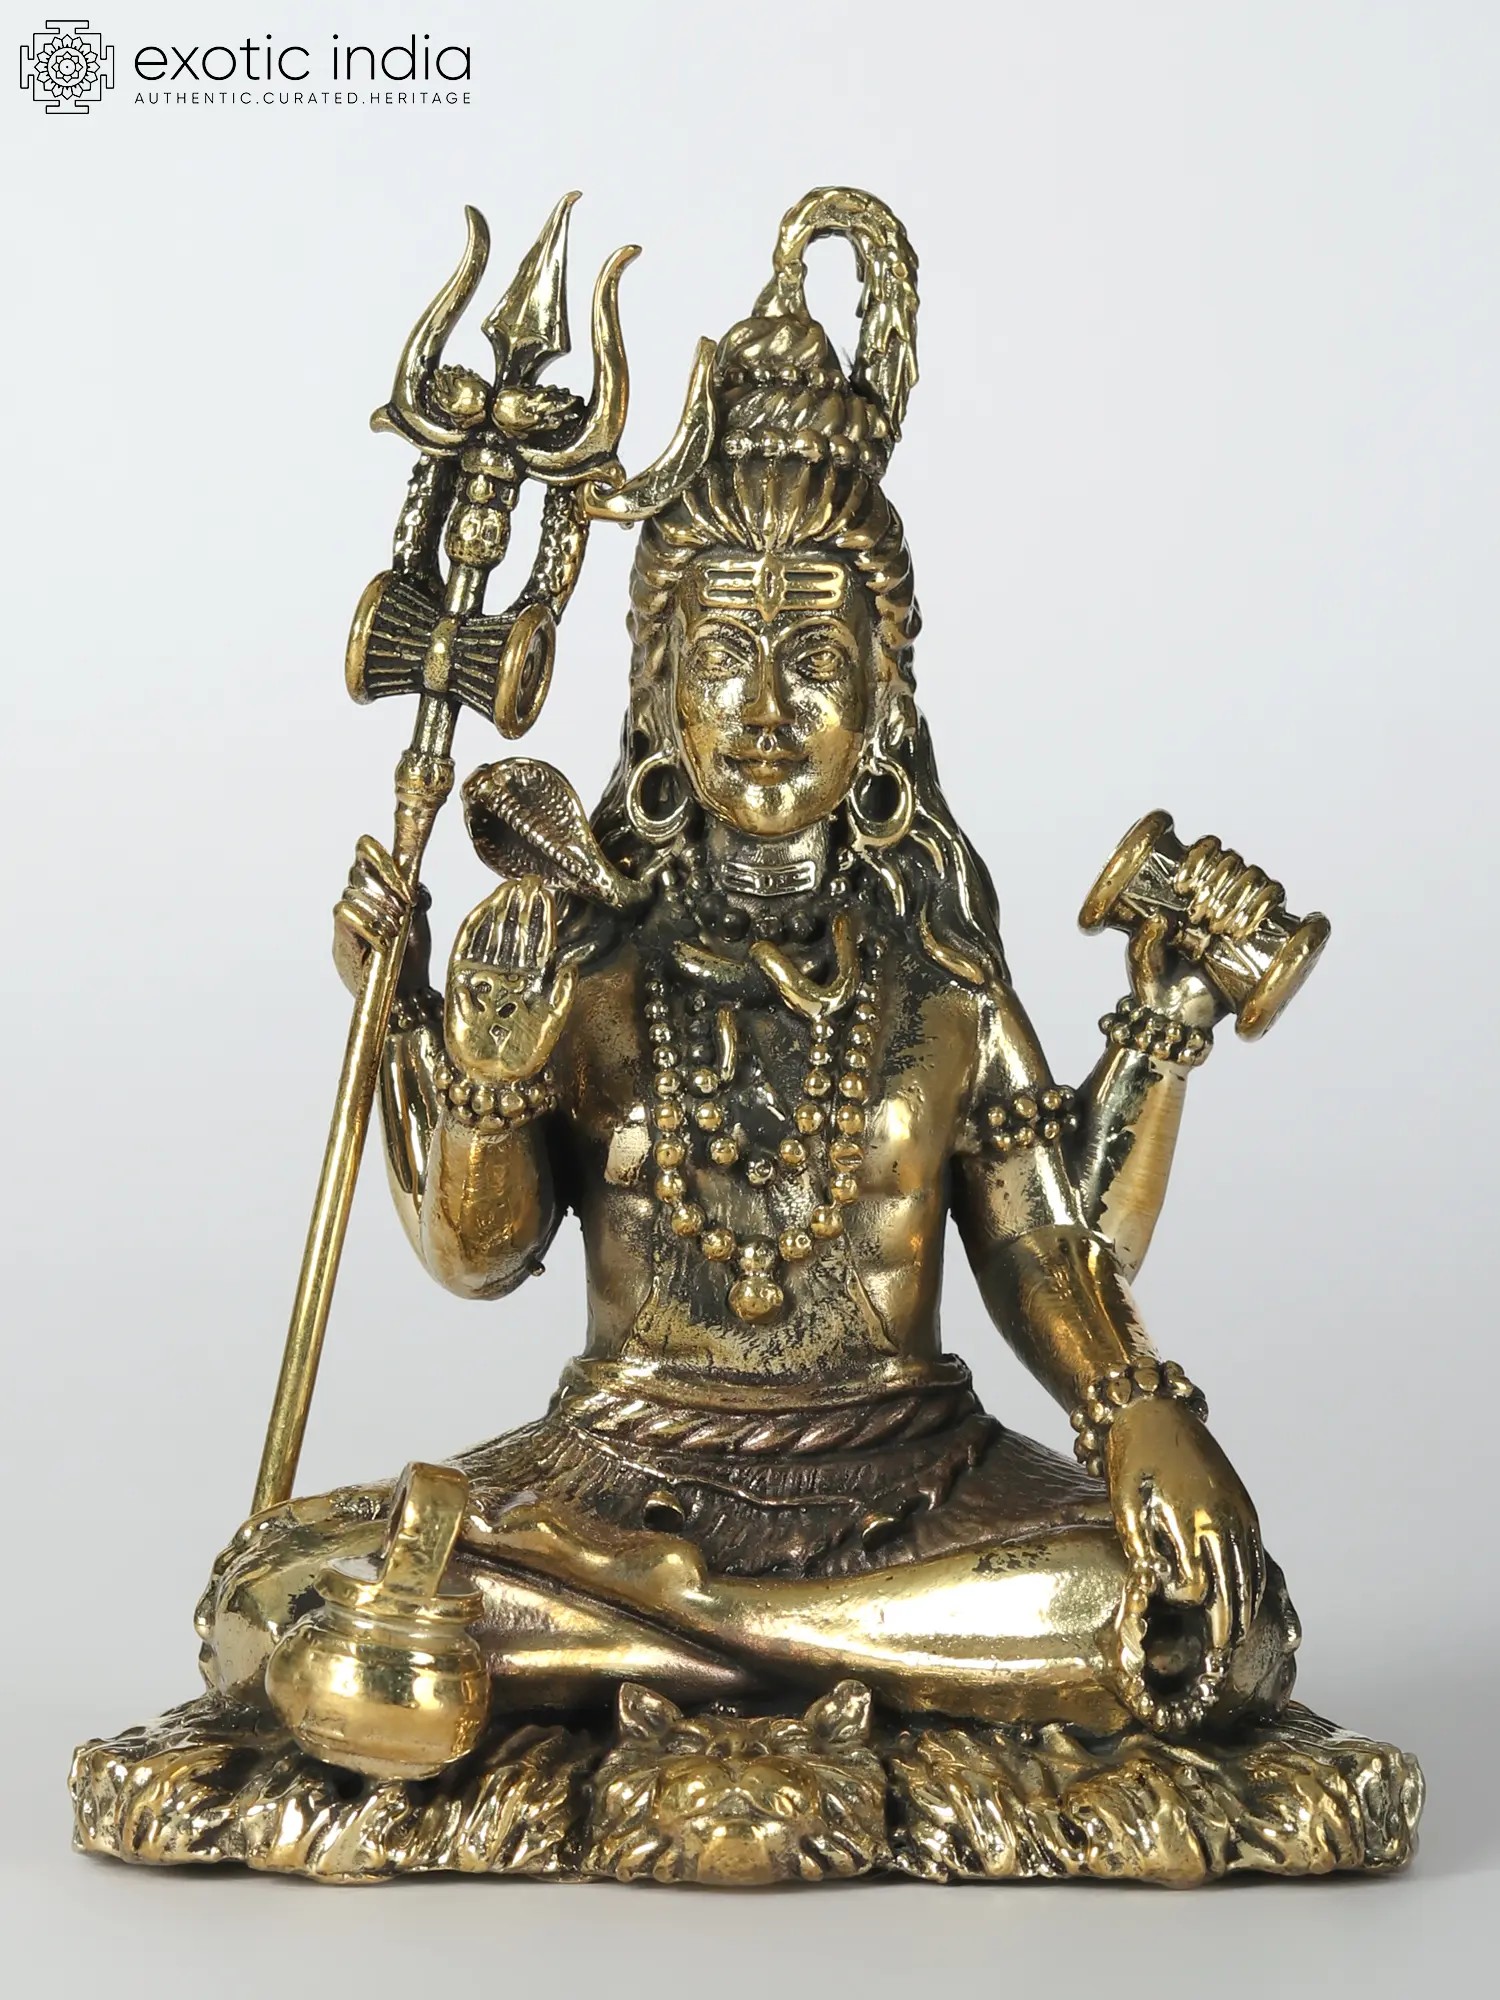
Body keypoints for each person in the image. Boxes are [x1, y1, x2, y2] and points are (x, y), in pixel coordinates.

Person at [198, 188, 1298, 1754]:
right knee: (276, 1598)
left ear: (883, 701)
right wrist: (471, 1058)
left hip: (909, 1483)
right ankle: (820, 1652)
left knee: (1201, 1622)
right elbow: (478, 1257)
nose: (766, 708)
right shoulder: (594, 961)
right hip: (609, 1476)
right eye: (720, 657)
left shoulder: (938, 982)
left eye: (814, 660)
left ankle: (681, 1633)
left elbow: (1055, 1249)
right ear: (659, 691)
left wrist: (1138, 1413)